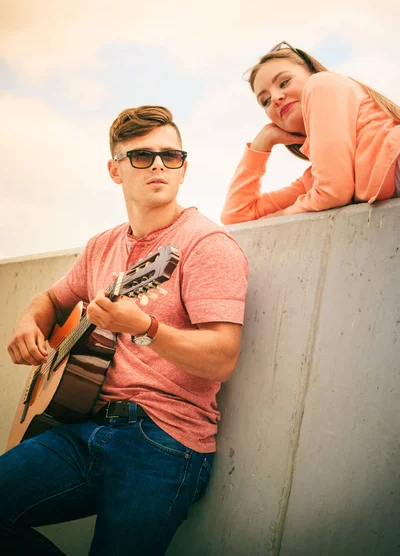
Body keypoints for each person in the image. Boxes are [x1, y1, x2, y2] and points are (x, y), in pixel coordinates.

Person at [1, 106, 248, 555]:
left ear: (184, 168)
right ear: (115, 170)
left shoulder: (206, 245)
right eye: (142, 156)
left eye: (170, 156)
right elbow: (51, 300)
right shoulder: (103, 245)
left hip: (163, 442)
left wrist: (147, 327)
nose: (158, 164)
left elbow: (223, 357)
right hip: (82, 430)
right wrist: (27, 323)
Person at [221, 41, 400, 223]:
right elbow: (236, 214)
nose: (275, 98)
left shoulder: (320, 82)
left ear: (312, 73)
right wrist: (262, 144)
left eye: (284, 82)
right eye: (265, 101)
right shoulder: (315, 180)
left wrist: (282, 215)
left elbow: (333, 192)